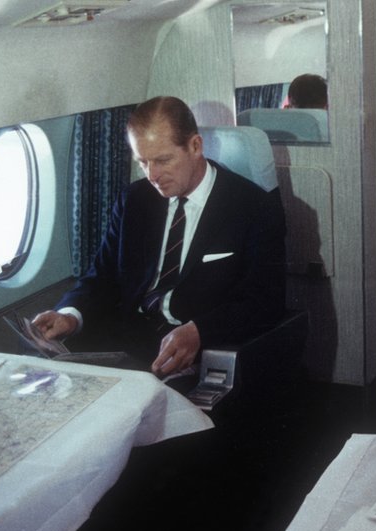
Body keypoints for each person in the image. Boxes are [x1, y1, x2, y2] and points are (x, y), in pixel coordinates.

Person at [33, 96, 286, 378]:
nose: (152, 175)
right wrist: (70, 315)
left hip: (198, 348)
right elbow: (101, 277)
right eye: (143, 162)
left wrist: (199, 331)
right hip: (127, 337)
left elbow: (265, 302)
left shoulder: (253, 207)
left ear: (195, 146)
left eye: (163, 160)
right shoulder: (134, 200)